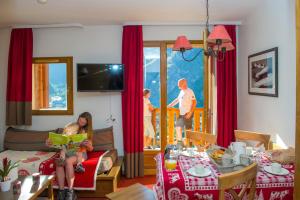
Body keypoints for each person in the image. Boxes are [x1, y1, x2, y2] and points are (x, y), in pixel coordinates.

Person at [46, 112, 94, 200]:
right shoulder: (71, 126)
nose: (81, 123)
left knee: (68, 161)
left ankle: (70, 191)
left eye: (83, 122)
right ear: (78, 118)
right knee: (59, 163)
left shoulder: (86, 131)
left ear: (87, 123)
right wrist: (51, 142)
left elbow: (91, 148)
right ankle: (61, 191)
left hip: (79, 153)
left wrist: (88, 145)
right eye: (80, 120)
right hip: (67, 151)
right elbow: (61, 143)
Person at [168, 78, 197, 145]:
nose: (178, 86)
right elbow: (177, 100)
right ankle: (180, 143)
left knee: (188, 130)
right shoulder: (181, 92)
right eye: (178, 84)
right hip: (182, 113)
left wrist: (190, 113)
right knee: (178, 127)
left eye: (180, 84)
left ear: (184, 83)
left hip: (188, 113)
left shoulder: (190, 91)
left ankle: (189, 145)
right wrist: (169, 105)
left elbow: (194, 102)